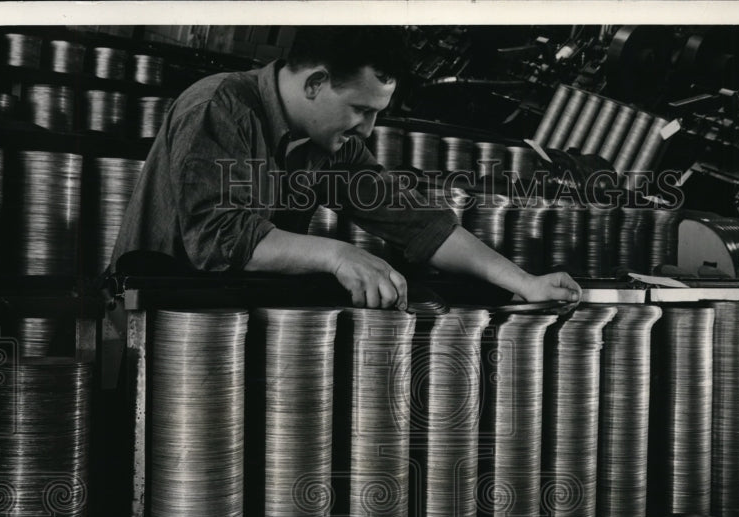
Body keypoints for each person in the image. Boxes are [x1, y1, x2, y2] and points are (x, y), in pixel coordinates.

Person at [109, 26, 582, 309]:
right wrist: (337, 255)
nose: (369, 128)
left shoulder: (329, 147)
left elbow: (419, 225)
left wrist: (524, 282)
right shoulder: (221, 106)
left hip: (228, 323)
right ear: (315, 83)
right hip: (154, 317)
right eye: (361, 109)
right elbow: (218, 238)